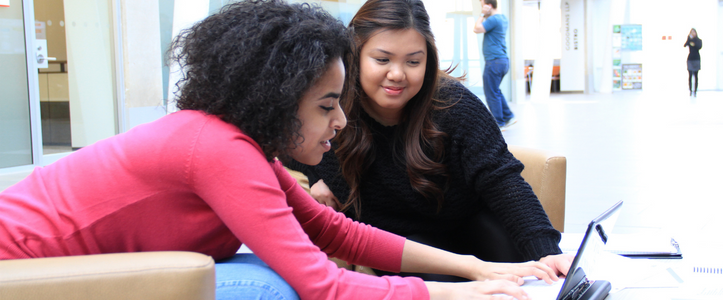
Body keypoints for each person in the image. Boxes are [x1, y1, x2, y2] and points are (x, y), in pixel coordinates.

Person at [0, 1, 560, 299]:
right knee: (278, 287)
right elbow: (323, 283)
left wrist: (476, 269)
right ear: (276, 99)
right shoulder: (219, 150)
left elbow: (336, 231)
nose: (340, 121)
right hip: (23, 274)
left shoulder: (237, 144)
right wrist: (464, 297)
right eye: (324, 106)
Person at [286, 0, 572, 283]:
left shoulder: (455, 106)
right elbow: (281, 142)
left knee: (530, 274)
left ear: (428, 60)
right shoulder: (332, 107)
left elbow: (502, 180)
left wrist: (547, 252)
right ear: (354, 55)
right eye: (382, 59)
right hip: (398, 242)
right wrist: (315, 175)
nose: (397, 74)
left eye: (413, 61)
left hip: (466, 225)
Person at [473, 0, 514, 128]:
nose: (482, 8)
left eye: (483, 5)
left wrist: (482, 14)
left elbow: (476, 29)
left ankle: (498, 123)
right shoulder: (503, 19)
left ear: (489, 6)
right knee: (495, 91)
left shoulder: (494, 20)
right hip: (502, 61)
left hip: (494, 61)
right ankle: (509, 116)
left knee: (491, 93)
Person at [684, 28, 702, 97]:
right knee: (690, 75)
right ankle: (690, 90)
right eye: (691, 32)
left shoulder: (699, 40)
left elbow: (699, 46)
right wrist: (689, 39)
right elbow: (685, 45)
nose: (693, 33)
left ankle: (695, 91)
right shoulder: (689, 40)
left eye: (694, 32)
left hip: (696, 59)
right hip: (690, 59)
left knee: (696, 76)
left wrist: (693, 42)